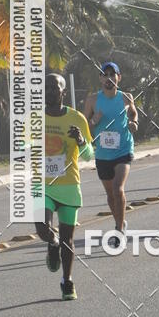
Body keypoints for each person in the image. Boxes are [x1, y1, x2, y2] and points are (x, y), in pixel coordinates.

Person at [35, 73, 93, 301]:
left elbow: (89, 155)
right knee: (41, 228)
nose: (49, 91)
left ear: (63, 92)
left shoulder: (77, 119)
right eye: (46, 88)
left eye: (54, 88)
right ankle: (52, 241)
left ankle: (67, 281)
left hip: (69, 184)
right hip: (43, 185)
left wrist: (80, 141)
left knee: (68, 240)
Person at [84, 62, 138, 250]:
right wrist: (93, 121)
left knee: (118, 189)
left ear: (118, 77)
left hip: (123, 149)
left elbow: (133, 114)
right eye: (104, 75)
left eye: (112, 75)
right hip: (103, 153)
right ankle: (120, 222)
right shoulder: (92, 100)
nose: (108, 78)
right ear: (100, 79)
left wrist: (133, 123)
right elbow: (84, 128)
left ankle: (118, 230)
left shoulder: (125, 97)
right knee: (109, 194)